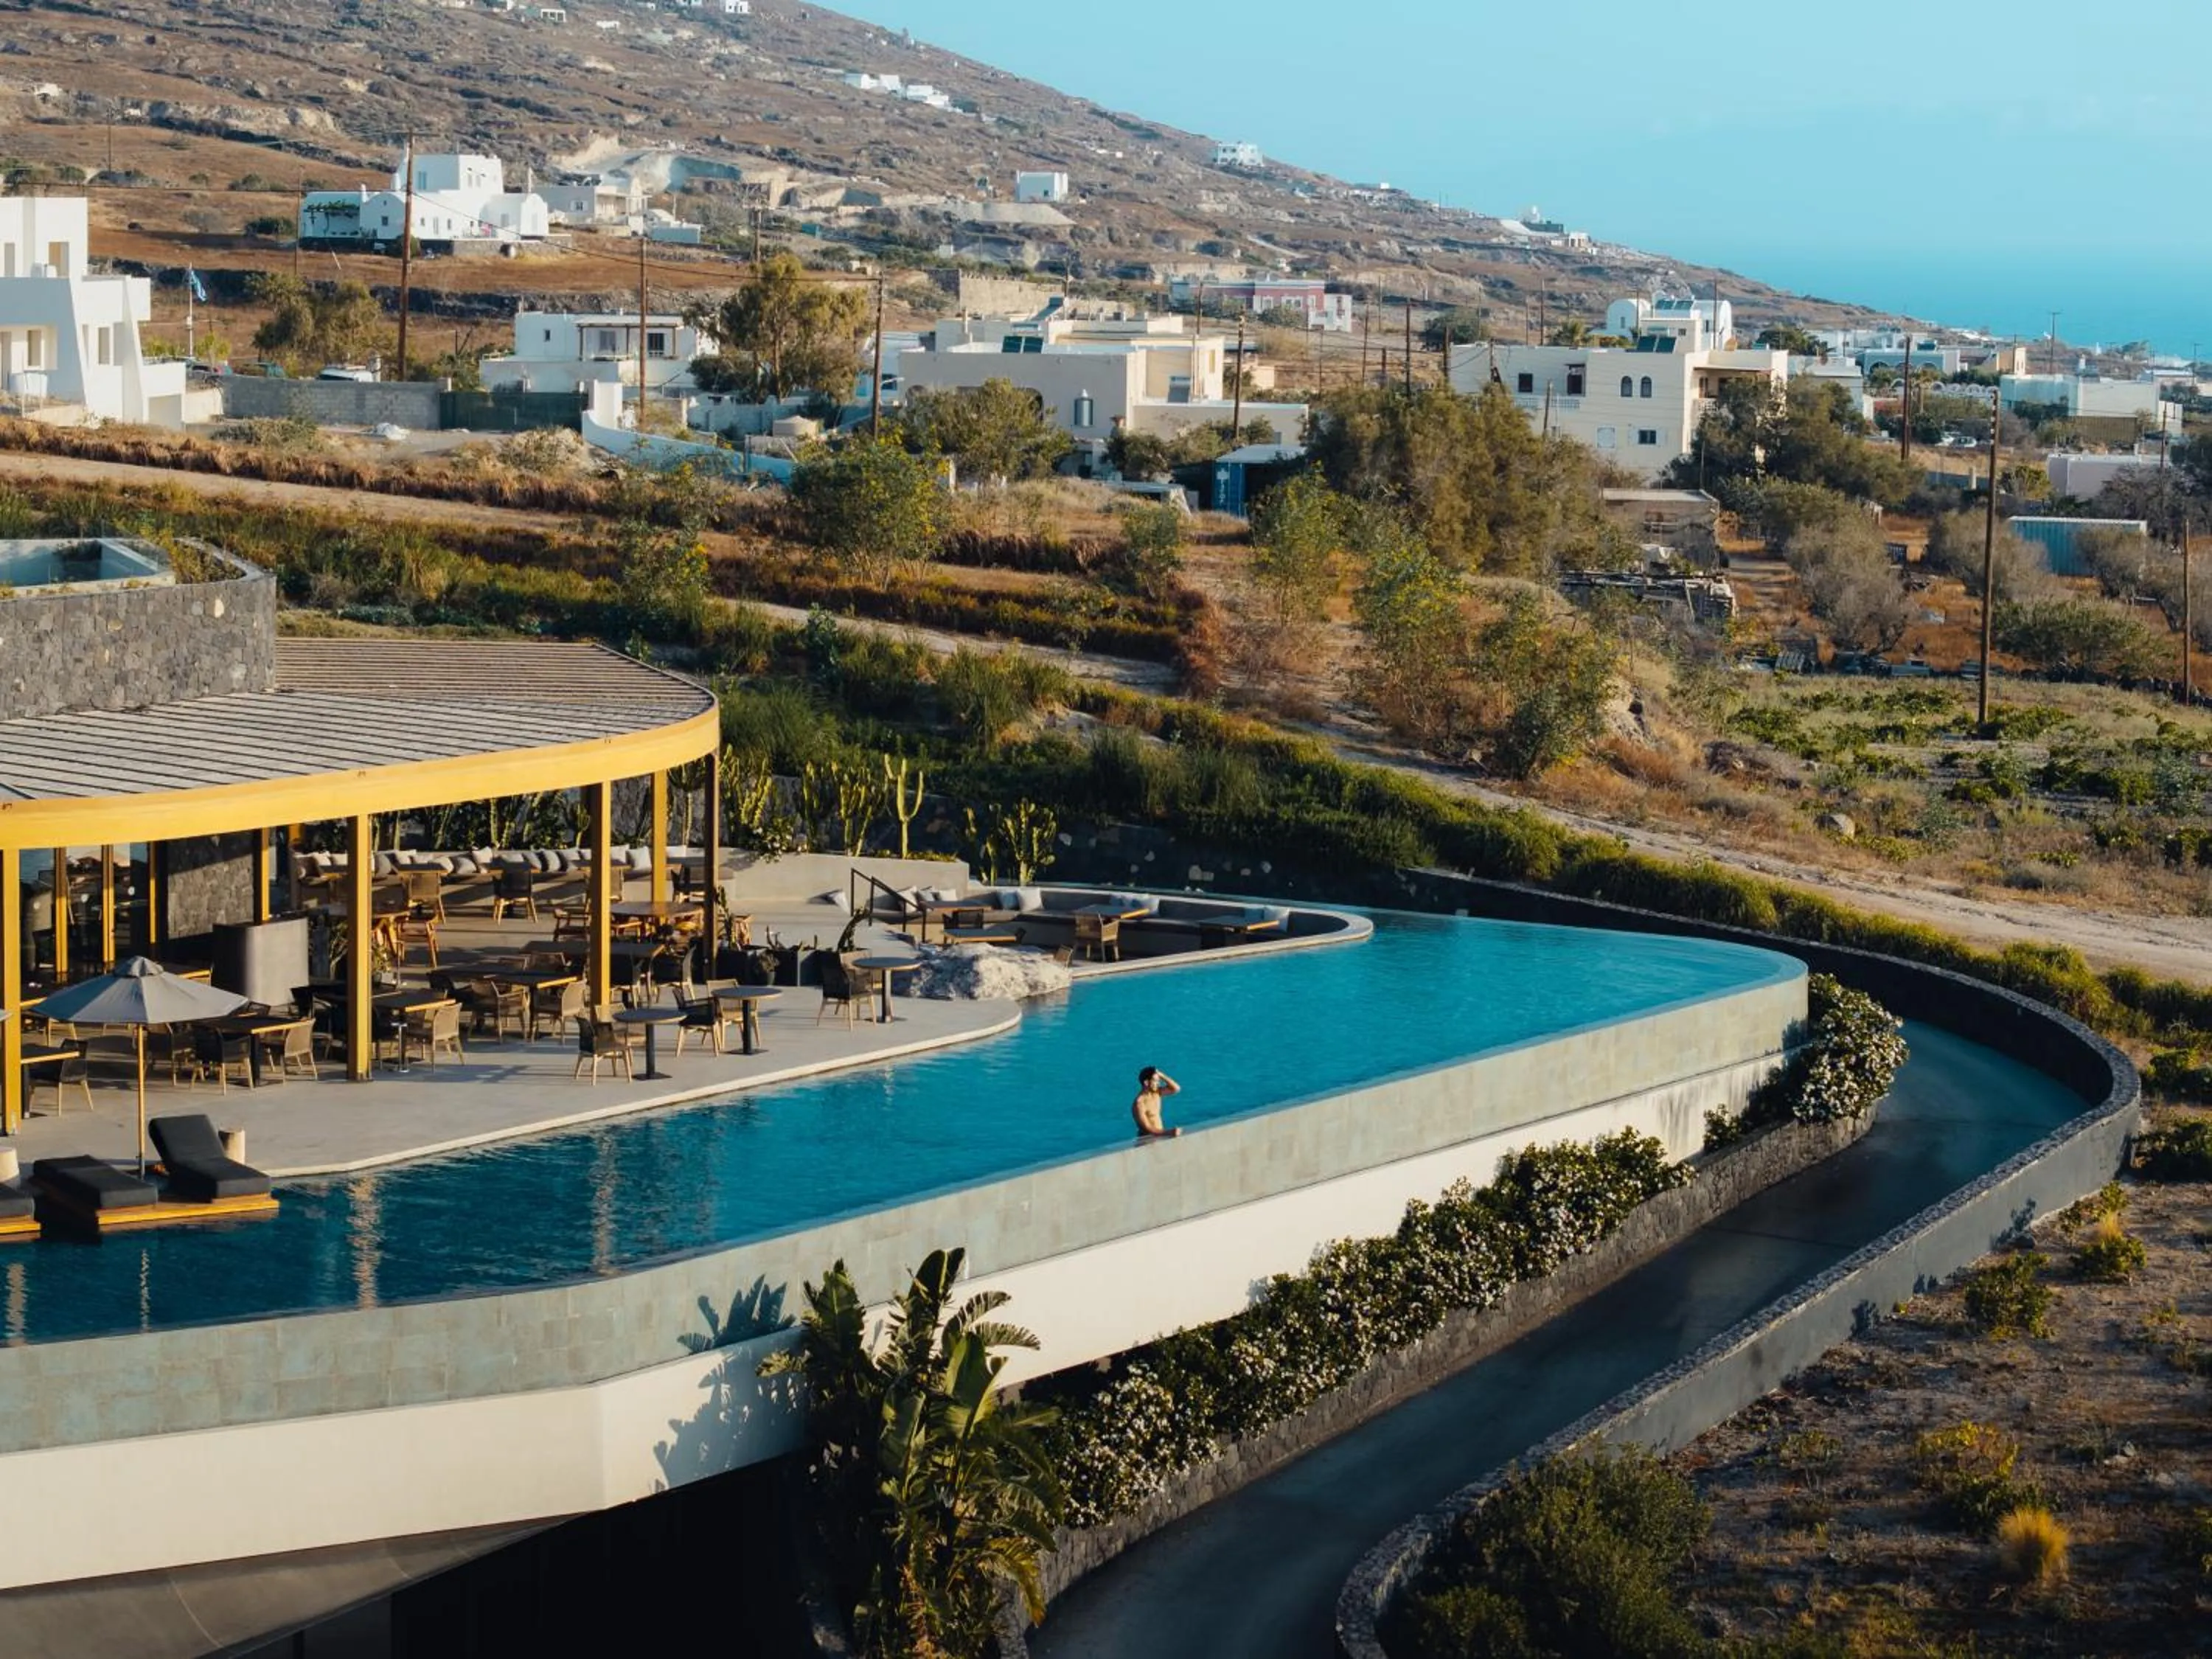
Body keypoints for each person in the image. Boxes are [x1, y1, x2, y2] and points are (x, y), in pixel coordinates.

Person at [1132, 1065, 1182, 1139]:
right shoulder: (1139, 1103)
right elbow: (1148, 1128)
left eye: (1159, 1081)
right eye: (1155, 1081)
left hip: (1160, 1137)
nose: (1159, 1083)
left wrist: (1160, 1075)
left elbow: (1176, 1089)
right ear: (1146, 1083)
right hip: (1147, 1142)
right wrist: (1169, 1132)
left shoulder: (1156, 1093)